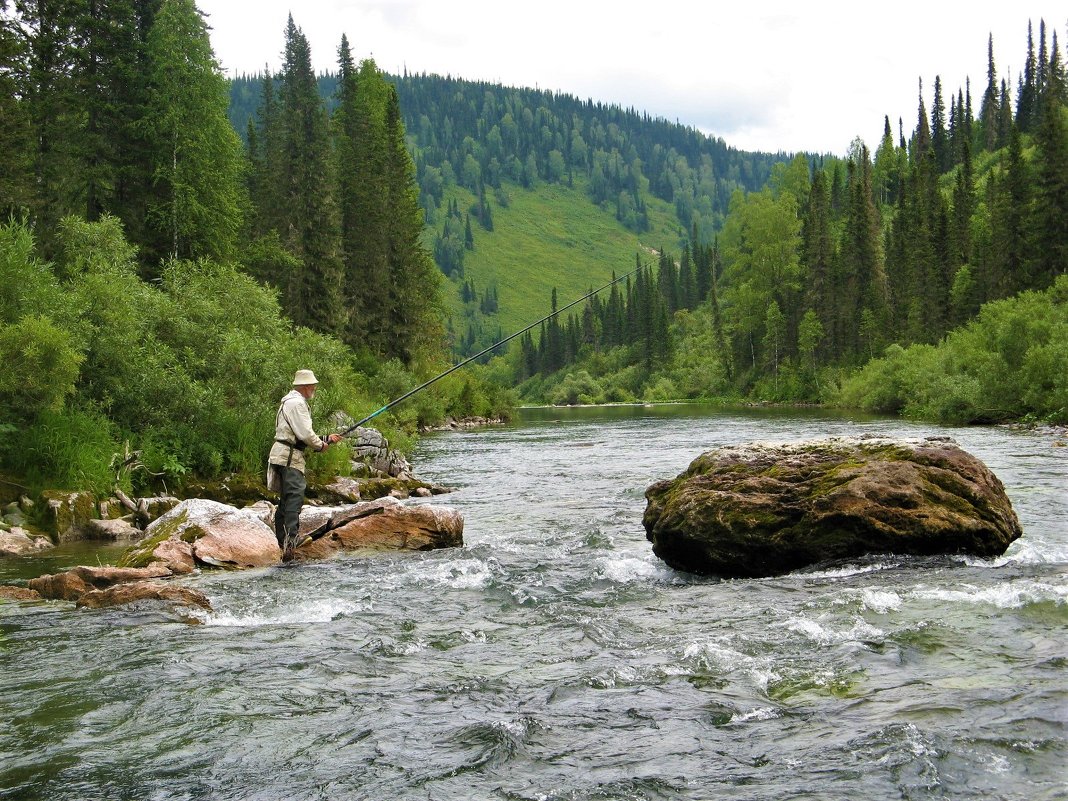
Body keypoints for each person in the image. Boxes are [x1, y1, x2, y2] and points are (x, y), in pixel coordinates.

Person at [267, 369, 341, 558]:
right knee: (294, 496)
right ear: (305, 386)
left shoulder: (288, 402)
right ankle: (291, 540)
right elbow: (305, 435)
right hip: (289, 457)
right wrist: (320, 445)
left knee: (285, 499)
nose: (314, 388)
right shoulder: (298, 403)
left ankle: (282, 542)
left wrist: (326, 438)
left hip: (281, 454)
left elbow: (296, 433)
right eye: (312, 385)